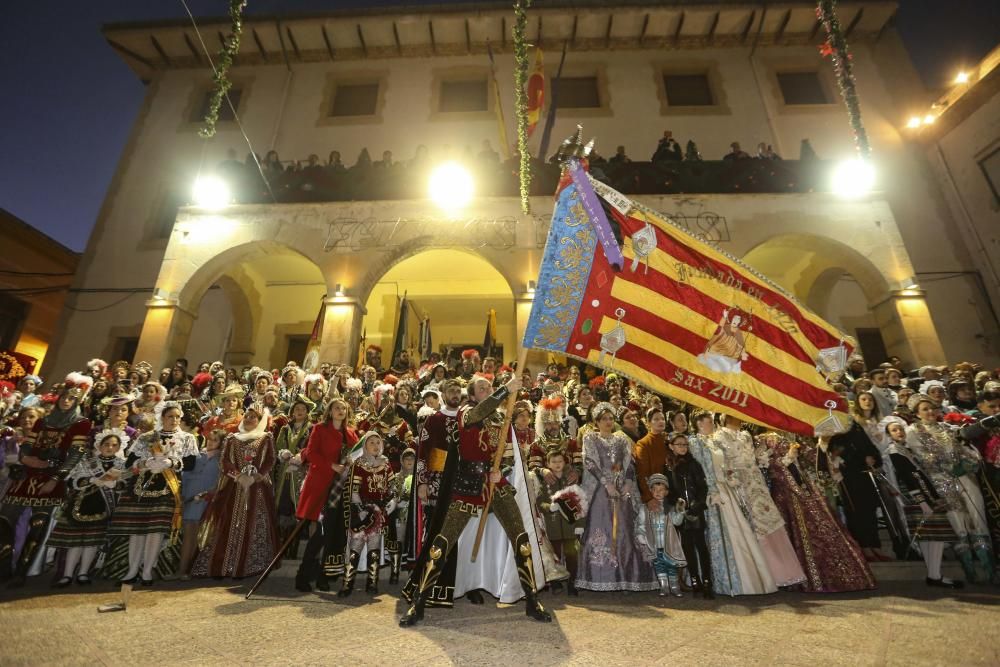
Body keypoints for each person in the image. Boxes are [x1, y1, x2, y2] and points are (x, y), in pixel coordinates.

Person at [399, 374, 552, 626]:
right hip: (467, 484)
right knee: (441, 544)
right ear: (472, 394)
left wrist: (499, 470)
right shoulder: (466, 411)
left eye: (489, 387)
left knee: (521, 540)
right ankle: (419, 603)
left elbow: (508, 453)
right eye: (482, 388)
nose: (487, 390)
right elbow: (478, 414)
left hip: (495, 484)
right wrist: (504, 390)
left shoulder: (501, 419)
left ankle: (532, 600)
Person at [0, 373, 93, 587]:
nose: (66, 401)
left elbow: (75, 454)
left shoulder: (81, 424)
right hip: (27, 475)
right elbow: (27, 444)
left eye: (71, 399)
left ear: (77, 402)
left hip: (52, 478)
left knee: (37, 526)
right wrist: (26, 458)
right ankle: (4, 567)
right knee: (5, 521)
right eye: (64, 398)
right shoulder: (43, 420)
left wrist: (55, 478)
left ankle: (21, 573)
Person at [762, 433, 876, 592]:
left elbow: (813, 458)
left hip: (806, 488)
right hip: (784, 492)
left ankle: (837, 577)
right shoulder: (765, 438)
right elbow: (765, 466)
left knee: (824, 526)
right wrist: (787, 458)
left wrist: (822, 443)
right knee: (796, 532)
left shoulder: (797, 436)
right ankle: (800, 579)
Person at [106, 401, 198, 585]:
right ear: (162, 417)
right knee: (137, 531)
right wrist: (144, 463)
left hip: (167, 488)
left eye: (177, 417)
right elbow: (129, 461)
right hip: (140, 487)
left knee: (155, 531)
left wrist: (171, 463)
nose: (174, 420)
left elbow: (190, 464)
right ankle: (131, 571)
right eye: (170, 416)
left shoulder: (187, 438)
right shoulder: (147, 437)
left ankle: (147, 571)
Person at [905, 394, 993, 583]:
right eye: (925, 409)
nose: (930, 412)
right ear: (917, 413)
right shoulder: (913, 431)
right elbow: (923, 457)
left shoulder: (948, 428)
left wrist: (970, 463)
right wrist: (947, 467)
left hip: (964, 477)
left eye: (932, 408)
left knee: (977, 517)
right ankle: (970, 571)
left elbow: (965, 449)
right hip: (941, 480)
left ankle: (989, 569)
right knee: (958, 522)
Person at [688, 411, 777, 596]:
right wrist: (712, 490)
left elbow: (723, 463)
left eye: (712, 421)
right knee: (720, 533)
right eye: (708, 421)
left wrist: (729, 477)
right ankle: (721, 581)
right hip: (711, 490)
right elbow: (703, 468)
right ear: (698, 423)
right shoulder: (695, 442)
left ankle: (745, 580)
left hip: (725, 487)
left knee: (739, 529)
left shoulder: (713, 440)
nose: (712, 424)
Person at [714, 414, 805, 587]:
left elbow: (756, 460)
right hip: (740, 485)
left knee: (769, 522)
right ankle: (763, 576)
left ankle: (783, 573)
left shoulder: (746, 435)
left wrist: (760, 459)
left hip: (757, 483)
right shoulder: (720, 435)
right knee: (753, 526)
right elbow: (723, 462)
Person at [576, 402, 657, 592]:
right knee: (601, 528)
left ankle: (627, 576)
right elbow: (590, 462)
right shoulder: (590, 438)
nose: (608, 422)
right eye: (604, 419)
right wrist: (607, 483)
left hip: (621, 491)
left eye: (611, 418)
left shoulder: (621, 440)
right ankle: (599, 576)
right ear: (596, 422)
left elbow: (628, 464)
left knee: (625, 530)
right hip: (601, 491)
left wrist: (628, 483)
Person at [193, 403, 279, 578]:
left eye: (253, 417)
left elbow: (270, 460)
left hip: (257, 490)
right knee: (227, 524)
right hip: (234, 487)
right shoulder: (232, 438)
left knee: (254, 523)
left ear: (260, 420)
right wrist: (239, 476)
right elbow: (224, 461)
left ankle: (245, 568)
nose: (248, 420)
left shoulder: (265, 438)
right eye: (246, 416)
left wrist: (255, 477)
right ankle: (222, 567)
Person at [880, 416, 963, 588]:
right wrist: (922, 501)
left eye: (901, 429)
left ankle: (934, 574)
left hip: (924, 495)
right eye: (894, 430)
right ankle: (934, 575)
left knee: (929, 536)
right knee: (934, 535)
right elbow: (907, 477)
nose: (899, 432)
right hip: (917, 497)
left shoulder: (905, 449)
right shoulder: (894, 451)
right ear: (889, 435)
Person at [48, 428, 127, 586]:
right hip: (82, 505)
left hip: (103, 507)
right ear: (99, 445)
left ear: (119, 447)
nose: (110, 447)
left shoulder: (122, 464)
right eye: (106, 444)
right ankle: (67, 575)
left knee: (92, 542)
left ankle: (83, 573)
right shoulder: (87, 461)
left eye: (114, 445)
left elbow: (125, 485)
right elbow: (71, 480)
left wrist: (117, 484)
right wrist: (90, 480)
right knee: (76, 542)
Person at [294, 398, 358, 592]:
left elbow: (356, 457)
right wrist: (332, 465)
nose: (340, 411)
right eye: (337, 408)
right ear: (330, 412)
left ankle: (324, 576)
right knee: (320, 535)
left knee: (333, 535)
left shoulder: (351, 434)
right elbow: (310, 453)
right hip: (321, 486)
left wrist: (350, 461)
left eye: (344, 408)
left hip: (340, 490)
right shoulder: (319, 429)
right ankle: (303, 575)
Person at [339, 431, 397, 596]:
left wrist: (393, 500)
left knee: (374, 548)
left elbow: (393, 487)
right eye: (371, 442)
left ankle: (372, 583)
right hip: (362, 512)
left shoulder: (386, 464)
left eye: (378, 442)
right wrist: (360, 509)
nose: (375, 445)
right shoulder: (359, 464)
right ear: (365, 445)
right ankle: (347, 584)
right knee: (355, 547)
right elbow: (354, 490)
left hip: (379, 513)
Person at [665, 431, 714, 598]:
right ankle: (695, 580)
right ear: (671, 446)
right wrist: (676, 502)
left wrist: (698, 504)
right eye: (679, 445)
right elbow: (667, 490)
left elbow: (702, 487)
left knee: (701, 546)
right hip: (681, 513)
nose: (683, 448)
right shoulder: (668, 467)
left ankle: (707, 581)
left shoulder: (695, 464)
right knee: (687, 547)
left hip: (695, 510)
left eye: (685, 445)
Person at [534, 447, 584, 596]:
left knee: (572, 556)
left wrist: (580, 525)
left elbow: (581, 503)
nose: (557, 464)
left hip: (571, 526)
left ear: (565, 462)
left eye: (560, 461)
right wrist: (550, 507)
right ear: (548, 464)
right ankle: (555, 582)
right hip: (553, 526)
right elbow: (539, 502)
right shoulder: (545, 482)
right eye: (553, 462)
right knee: (554, 556)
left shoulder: (571, 481)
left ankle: (572, 583)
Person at [177, 428, 222, 579]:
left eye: (215, 440)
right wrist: (183, 495)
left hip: (207, 501)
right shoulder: (197, 456)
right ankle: (183, 570)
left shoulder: (222, 460)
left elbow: (220, 482)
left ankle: (194, 569)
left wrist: (209, 494)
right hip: (189, 499)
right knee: (189, 534)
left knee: (201, 536)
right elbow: (185, 475)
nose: (211, 442)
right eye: (209, 438)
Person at [635, 473, 687, 597]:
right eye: (655, 490)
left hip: (668, 543)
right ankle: (664, 586)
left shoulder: (669, 507)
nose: (658, 492)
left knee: (671, 565)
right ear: (651, 491)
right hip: (654, 543)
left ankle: (674, 586)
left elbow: (676, 521)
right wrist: (641, 534)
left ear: (666, 492)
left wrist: (680, 511)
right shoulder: (645, 508)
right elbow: (641, 523)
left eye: (661, 490)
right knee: (659, 565)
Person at [274, 395, 314, 550]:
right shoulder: (285, 429)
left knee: (298, 505)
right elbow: (278, 446)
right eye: (297, 409)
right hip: (285, 472)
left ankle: (295, 544)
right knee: (284, 505)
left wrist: (300, 459)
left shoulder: (312, 428)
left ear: (307, 412)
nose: (300, 411)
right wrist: (283, 454)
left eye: (303, 409)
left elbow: (312, 447)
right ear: (292, 411)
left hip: (302, 471)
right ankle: (284, 544)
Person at [634, 407, 669, 502]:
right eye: (656, 419)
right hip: (655, 494)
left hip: (671, 493)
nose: (661, 421)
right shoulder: (643, 443)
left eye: (662, 419)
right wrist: (649, 497)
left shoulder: (668, 440)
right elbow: (642, 474)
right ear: (649, 423)